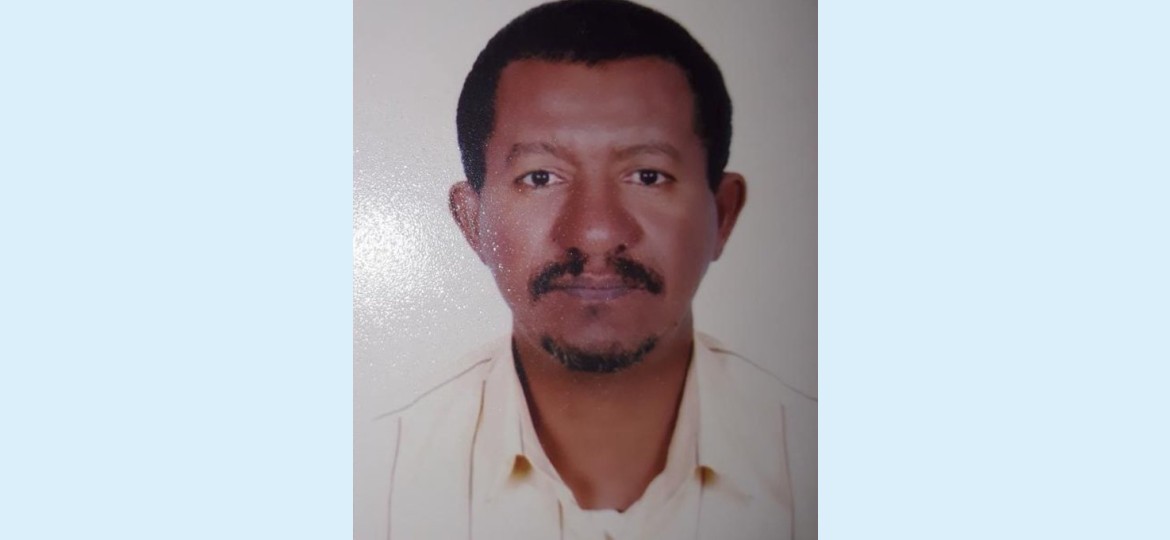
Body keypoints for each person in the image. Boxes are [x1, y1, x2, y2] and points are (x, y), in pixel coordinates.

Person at [381, 1, 815, 538]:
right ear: (472, 223)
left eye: (648, 176)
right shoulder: (377, 474)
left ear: (722, 215)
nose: (595, 232)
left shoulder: (812, 455)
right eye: (540, 177)